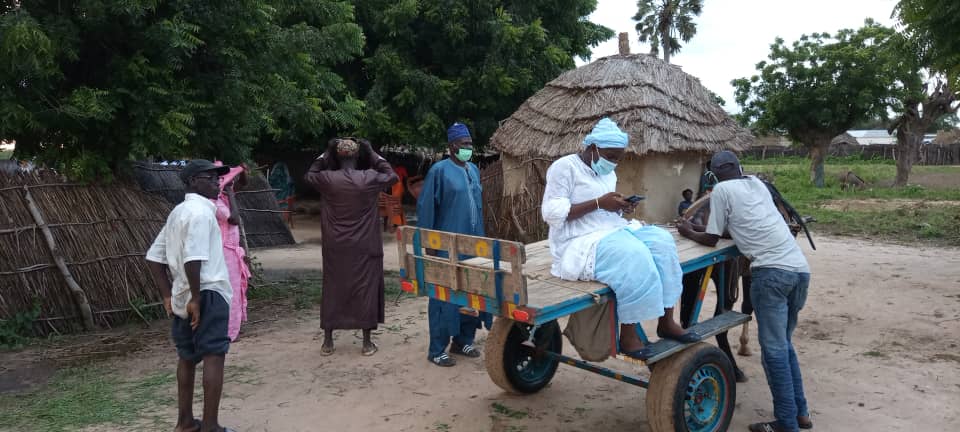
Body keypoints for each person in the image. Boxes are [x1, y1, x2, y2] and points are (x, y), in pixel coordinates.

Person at [540, 118, 698, 361]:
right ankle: (628, 334)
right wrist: (598, 203)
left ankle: (666, 321)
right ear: (593, 148)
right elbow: (551, 213)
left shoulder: (607, 171)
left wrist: (620, 208)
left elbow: (606, 206)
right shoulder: (564, 167)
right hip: (579, 239)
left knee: (662, 241)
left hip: (610, 228)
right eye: (611, 156)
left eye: (618, 157)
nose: (614, 162)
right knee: (633, 254)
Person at [678, 151, 812, 432]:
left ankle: (787, 424)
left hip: (772, 275)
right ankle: (800, 413)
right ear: (741, 168)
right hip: (799, 270)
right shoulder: (758, 184)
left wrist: (688, 229)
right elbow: (740, 227)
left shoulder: (721, 190)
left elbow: (712, 238)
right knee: (784, 346)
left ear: (712, 175)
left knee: (773, 352)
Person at [146, 159, 235, 432]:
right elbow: (194, 258)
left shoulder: (179, 212)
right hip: (207, 292)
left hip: (183, 295)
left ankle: (185, 422)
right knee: (213, 355)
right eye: (210, 178)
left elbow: (153, 258)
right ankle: (210, 427)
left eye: (218, 178)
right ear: (192, 181)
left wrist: (167, 296)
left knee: (186, 356)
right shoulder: (200, 213)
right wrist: (196, 298)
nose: (217, 182)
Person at [305, 138, 398, 357]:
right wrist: (372, 152)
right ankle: (366, 343)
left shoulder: (327, 178)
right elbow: (391, 174)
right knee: (364, 287)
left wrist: (326, 151)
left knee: (332, 287)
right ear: (358, 156)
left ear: (337, 157)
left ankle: (328, 342)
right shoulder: (368, 178)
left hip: (335, 245)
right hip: (364, 245)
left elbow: (310, 173)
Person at [417, 122, 490, 367]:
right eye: (464, 144)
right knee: (443, 297)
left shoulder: (474, 170)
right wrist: (429, 245)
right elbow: (427, 207)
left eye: (470, 144)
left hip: (473, 244)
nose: (468, 148)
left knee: (471, 293)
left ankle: (463, 340)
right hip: (446, 245)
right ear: (451, 146)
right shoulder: (439, 171)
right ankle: (437, 349)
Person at [213, 163, 251, 342]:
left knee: (236, 289)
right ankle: (228, 331)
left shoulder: (223, 198)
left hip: (231, 250)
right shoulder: (216, 203)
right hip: (224, 251)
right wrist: (231, 193)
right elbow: (234, 219)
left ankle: (233, 326)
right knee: (230, 290)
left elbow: (243, 185)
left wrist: (242, 173)